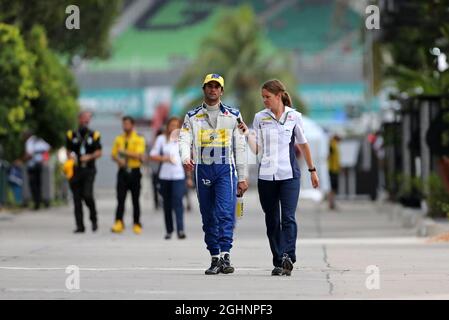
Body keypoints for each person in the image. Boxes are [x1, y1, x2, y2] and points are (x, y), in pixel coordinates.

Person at [238, 79, 319, 276]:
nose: (264, 100)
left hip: (289, 175)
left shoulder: (294, 117)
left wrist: (312, 170)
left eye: (267, 97)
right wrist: (247, 134)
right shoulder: (260, 118)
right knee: (272, 220)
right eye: (262, 97)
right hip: (266, 176)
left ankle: (288, 257)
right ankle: (278, 260)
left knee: (288, 217)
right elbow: (257, 149)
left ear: (278, 95)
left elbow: (303, 144)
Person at [179, 73, 248, 275]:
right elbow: (183, 138)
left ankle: (226, 256)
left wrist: (242, 177)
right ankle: (214, 257)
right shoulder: (192, 116)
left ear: (222, 91)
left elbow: (241, 147)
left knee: (226, 213)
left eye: (216, 86)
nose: (213, 89)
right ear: (204, 89)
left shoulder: (234, 115)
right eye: (209, 86)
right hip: (203, 168)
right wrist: (185, 157)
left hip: (225, 169)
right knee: (208, 216)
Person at [149, 117, 190, 240]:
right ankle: (169, 230)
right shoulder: (161, 139)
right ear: (167, 126)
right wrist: (165, 159)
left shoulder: (183, 139)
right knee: (167, 204)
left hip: (178, 176)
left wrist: (189, 176)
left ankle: (180, 229)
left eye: (176, 125)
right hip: (164, 176)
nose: (173, 128)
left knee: (178, 201)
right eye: (171, 125)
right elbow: (153, 155)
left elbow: (187, 158)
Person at [66, 111, 102, 233]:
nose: (85, 121)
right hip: (76, 169)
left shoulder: (94, 135)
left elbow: (99, 152)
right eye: (83, 119)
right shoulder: (71, 134)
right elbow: (68, 150)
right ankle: (80, 225)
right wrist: (71, 156)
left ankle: (94, 219)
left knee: (87, 195)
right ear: (79, 119)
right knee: (76, 199)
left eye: (88, 119)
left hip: (89, 169)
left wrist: (89, 156)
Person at [111, 116, 146, 234]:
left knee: (135, 199)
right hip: (122, 171)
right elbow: (113, 154)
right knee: (120, 198)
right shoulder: (118, 139)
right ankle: (119, 222)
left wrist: (124, 152)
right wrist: (118, 160)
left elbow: (139, 155)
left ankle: (136, 223)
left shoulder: (139, 139)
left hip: (135, 171)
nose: (125, 126)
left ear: (132, 125)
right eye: (123, 124)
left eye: (127, 124)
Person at [24, 132, 51, 210]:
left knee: (33, 184)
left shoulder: (29, 142)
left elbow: (29, 154)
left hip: (32, 165)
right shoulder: (39, 140)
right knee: (39, 183)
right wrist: (44, 158)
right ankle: (41, 201)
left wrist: (22, 160)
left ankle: (37, 202)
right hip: (39, 165)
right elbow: (48, 148)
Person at [328, 134, 341, 210]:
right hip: (332, 169)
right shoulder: (332, 146)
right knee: (332, 187)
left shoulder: (334, 145)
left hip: (334, 169)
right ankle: (331, 203)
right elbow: (329, 156)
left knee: (333, 188)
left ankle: (332, 203)